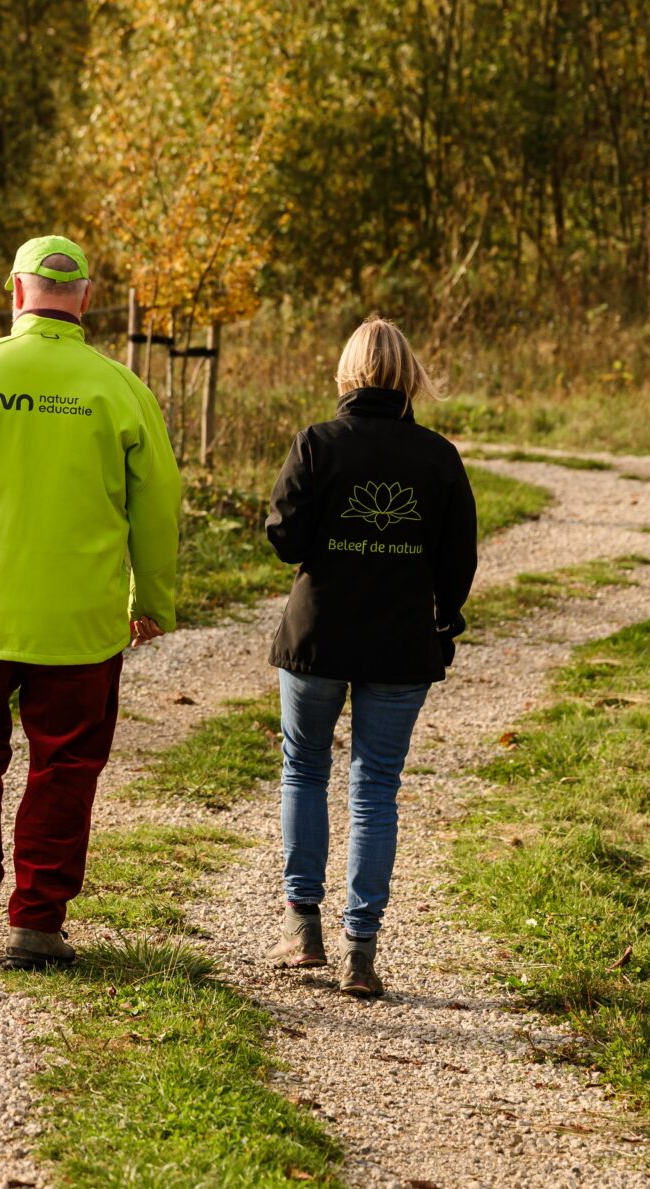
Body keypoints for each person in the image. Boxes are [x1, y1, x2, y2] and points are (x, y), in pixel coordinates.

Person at [0, 234, 181, 969]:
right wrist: (153, 597)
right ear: (85, 298)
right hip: (80, 622)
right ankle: (38, 919)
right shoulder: (120, 387)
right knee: (67, 763)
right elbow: (158, 504)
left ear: (15, 292)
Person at [261, 316, 477, 996]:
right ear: (410, 376)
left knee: (304, 768)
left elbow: (285, 539)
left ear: (347, 374)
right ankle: (361, 950)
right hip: (400, 641)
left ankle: (302, 927)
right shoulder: (438, 457)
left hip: (318, 634)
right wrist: (443, 620)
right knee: (376, 785)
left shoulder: (318, 445)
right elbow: (459, 559)